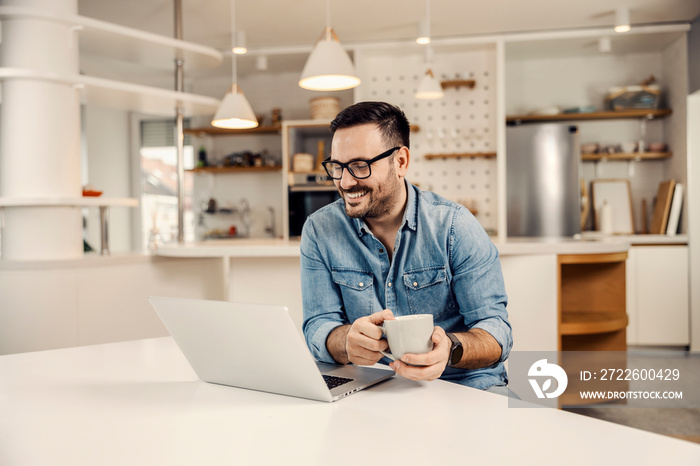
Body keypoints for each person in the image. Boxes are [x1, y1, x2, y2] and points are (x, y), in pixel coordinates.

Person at [300, 101, 512, 392]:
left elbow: (496, 334)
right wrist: (345, 340)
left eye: (360, 166)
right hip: (371, 388)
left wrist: (449, 348)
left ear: (400, 162)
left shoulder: (454, 226)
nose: (346, 182)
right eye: (337, 167)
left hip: (464, 385)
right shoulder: (319, 230)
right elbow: (318, 325)